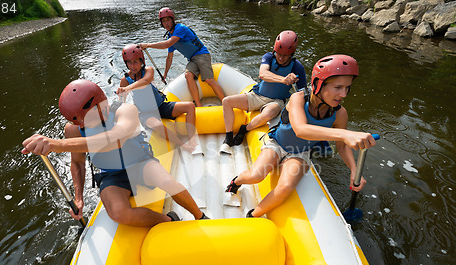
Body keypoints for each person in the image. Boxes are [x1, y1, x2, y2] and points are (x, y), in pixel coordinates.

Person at [21, 79, 208, 226]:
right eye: (80, 121)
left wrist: (57, 145)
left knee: (168, 182)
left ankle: (200, 216)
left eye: (87, 118)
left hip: (140, 163)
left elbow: (116, 138)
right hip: (111, 175)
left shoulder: (125, 110)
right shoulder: (73, 130)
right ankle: (168, 220)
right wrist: (78, 198)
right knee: (118, 213)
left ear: (101, 103)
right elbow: (77, 163)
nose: (85, 125)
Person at [225, 55, 376, 218]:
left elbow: (342, 145)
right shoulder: (298, 98)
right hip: (277, 144)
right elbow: (300, 129)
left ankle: (253, 215)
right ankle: (236, 181)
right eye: (338, 87)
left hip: (300, 153)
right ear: (318, 84)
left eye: (347, 88)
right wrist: (345, 134)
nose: (344, 94)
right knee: (256, 176)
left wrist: (354, 170)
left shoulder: (340, 114)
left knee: (285, 188)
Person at [219, 30, 307, 154]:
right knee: (226, 101)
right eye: (279, 54)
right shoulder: (268, 57)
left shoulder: (297, 67)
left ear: (291, 54)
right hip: (257, 95)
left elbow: (303, 92)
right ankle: (228, 138)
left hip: (276, 102)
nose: (281, 58)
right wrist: (284, 79)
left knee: (270, 112)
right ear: (274, 51)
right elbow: (263, 74)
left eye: (285, 55)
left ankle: (244, 129)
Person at [117, 43, 201, 154]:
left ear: (142, 61)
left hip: (161, 106)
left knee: (190, 106)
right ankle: (183, 145)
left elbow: (146, 81)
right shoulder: (125, 80)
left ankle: (192, 140)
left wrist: (127, 88)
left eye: (135, 62)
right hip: (145, 113)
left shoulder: (148, 70)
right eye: (129, 62)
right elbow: (122, 103)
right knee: (157, 125)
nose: (133, 66)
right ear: (126, 63)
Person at [140, 7, 225, 107]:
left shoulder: (180, 29)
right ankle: (198, 105)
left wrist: (148, 45)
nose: (166, 23)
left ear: (173, 20)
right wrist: (165, 74)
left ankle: (225, 101)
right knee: (188, 75)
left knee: (208, 80)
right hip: (192, 59)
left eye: (168, 20)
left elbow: (167, 44)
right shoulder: (169, 36)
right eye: (163, 21)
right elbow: (169, 57)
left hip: (202, 55)